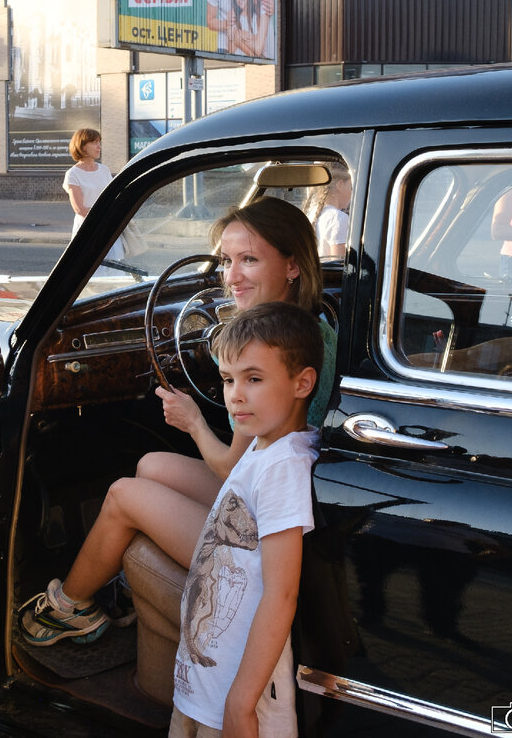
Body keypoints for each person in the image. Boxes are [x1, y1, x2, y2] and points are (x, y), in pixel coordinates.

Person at [18, 195, 335, 647]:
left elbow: (231, 468)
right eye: (227, 260)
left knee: (124, 494)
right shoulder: (308, 327)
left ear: (291, 266)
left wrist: (193, 422)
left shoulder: (265, 345)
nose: (232, 276)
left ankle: (70, 608)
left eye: (249, 259)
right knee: (151, 464)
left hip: (261, 526)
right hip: (280, 497)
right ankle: (118, 585)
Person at [171, 301, 321, 738]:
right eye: (228, 379)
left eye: (253, 379)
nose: (235, 394)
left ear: (302, 383)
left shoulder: (283, 467)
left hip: (240, 695)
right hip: (208, 681)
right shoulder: (264, 446)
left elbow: (282, 592)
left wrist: (241, 702)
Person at [63, 127, 124, 262]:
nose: (99, 146)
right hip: (88, 228)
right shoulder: (73, 174)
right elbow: (79, 208)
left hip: (107, 227)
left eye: (99, 142)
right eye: (94, 142)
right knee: (89, 266)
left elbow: (112, 198)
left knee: (113, 268)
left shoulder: (104, 170)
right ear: (82, 146)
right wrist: (102, 218)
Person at [308, 167, 352, 260]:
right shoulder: (339, 218)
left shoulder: (311, 213)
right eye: (351, 187)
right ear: (340, 185)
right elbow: (338, 264)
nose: (352, 193)